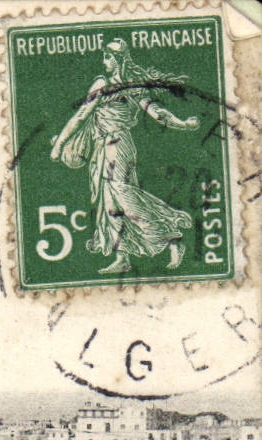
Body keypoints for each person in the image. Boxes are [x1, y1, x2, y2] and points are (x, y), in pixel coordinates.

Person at [49, 38, 200, 275]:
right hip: (107, 148)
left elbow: (154, 112)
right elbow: (84, 115)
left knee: (122, 196)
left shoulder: (119, 86)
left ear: (118, 60)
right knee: (112, 204)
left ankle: (171, 233)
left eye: (108, 57)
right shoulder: (117, 85)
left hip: (116, 146)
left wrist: (59, 145)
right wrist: (184, 124)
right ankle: (123, 256)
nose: (104, 61)